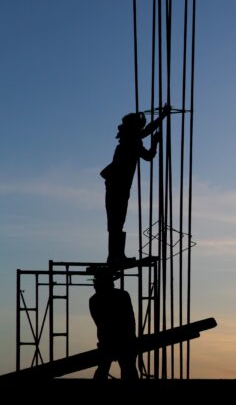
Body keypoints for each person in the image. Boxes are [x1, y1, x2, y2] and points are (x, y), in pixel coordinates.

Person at [100, 107, 168, 262]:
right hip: (118, 186)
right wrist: (162, 117)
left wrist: (154, 143)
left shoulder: (131, 142)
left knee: (117, 221)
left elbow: (148, 154)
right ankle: (115, 256)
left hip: (118, 186)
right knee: (116, 221)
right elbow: (147, 135)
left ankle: (116, 255)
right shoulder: (131, 142)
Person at [89, 271, 138, 379]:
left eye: (95, 283)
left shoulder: (94, 300)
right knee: (129, 370)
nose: (94, 286)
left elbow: (101, 323)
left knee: (103, 370)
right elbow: (130, 320)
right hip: (124, 341)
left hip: (109, 342)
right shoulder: (123, 295)